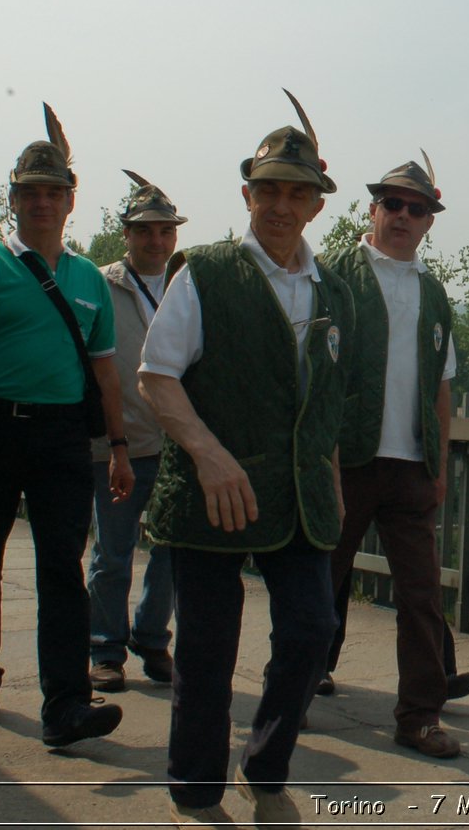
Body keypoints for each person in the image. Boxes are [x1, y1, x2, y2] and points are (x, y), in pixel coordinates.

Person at [139, 92, 352, 828]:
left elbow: (327, 398)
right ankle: (195, 786)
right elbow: (156, 376)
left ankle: (266, 757)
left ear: (318, 205)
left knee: (311, 630)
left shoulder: (336, 291)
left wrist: (326, 474)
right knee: (206, 647)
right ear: (247, 195)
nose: (282, 206)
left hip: (296, 496)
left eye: (298, 193)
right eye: (269, 191)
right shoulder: (206, 273)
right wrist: (206, 453)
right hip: (212, 491)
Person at [0, 105, 133, 749]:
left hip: (63, 437)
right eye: (30, 192)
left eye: (53, 192)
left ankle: (65, 707)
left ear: (72, 201)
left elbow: (107, 377)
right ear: (13, 199)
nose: (42, 202)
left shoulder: (87, 279)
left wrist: (119, 448)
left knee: (62, 572)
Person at [318, 153, 466, 759]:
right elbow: (314, 377)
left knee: (421, 595)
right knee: (319, 581)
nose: (404, 216)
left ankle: (420, 716)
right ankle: (297, 685)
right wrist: (320, 459)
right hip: (346, 460)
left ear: (430, 221)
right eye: (394, 204)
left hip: (410, 466)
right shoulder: (335, 278)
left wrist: (440, 466)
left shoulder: (434, 294)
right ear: (373, 208)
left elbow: (441, 386)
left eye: (418, 208)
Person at [86, 172, 187, 693]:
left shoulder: (186, 285)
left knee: (170, 551)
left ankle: (152, 639)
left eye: (165, 231)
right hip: (118, 444)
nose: (156, 241)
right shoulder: (101, 284)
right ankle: (105, 647)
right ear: (127, 233)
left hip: (174, 445)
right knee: (113, 551)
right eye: (145, 230)